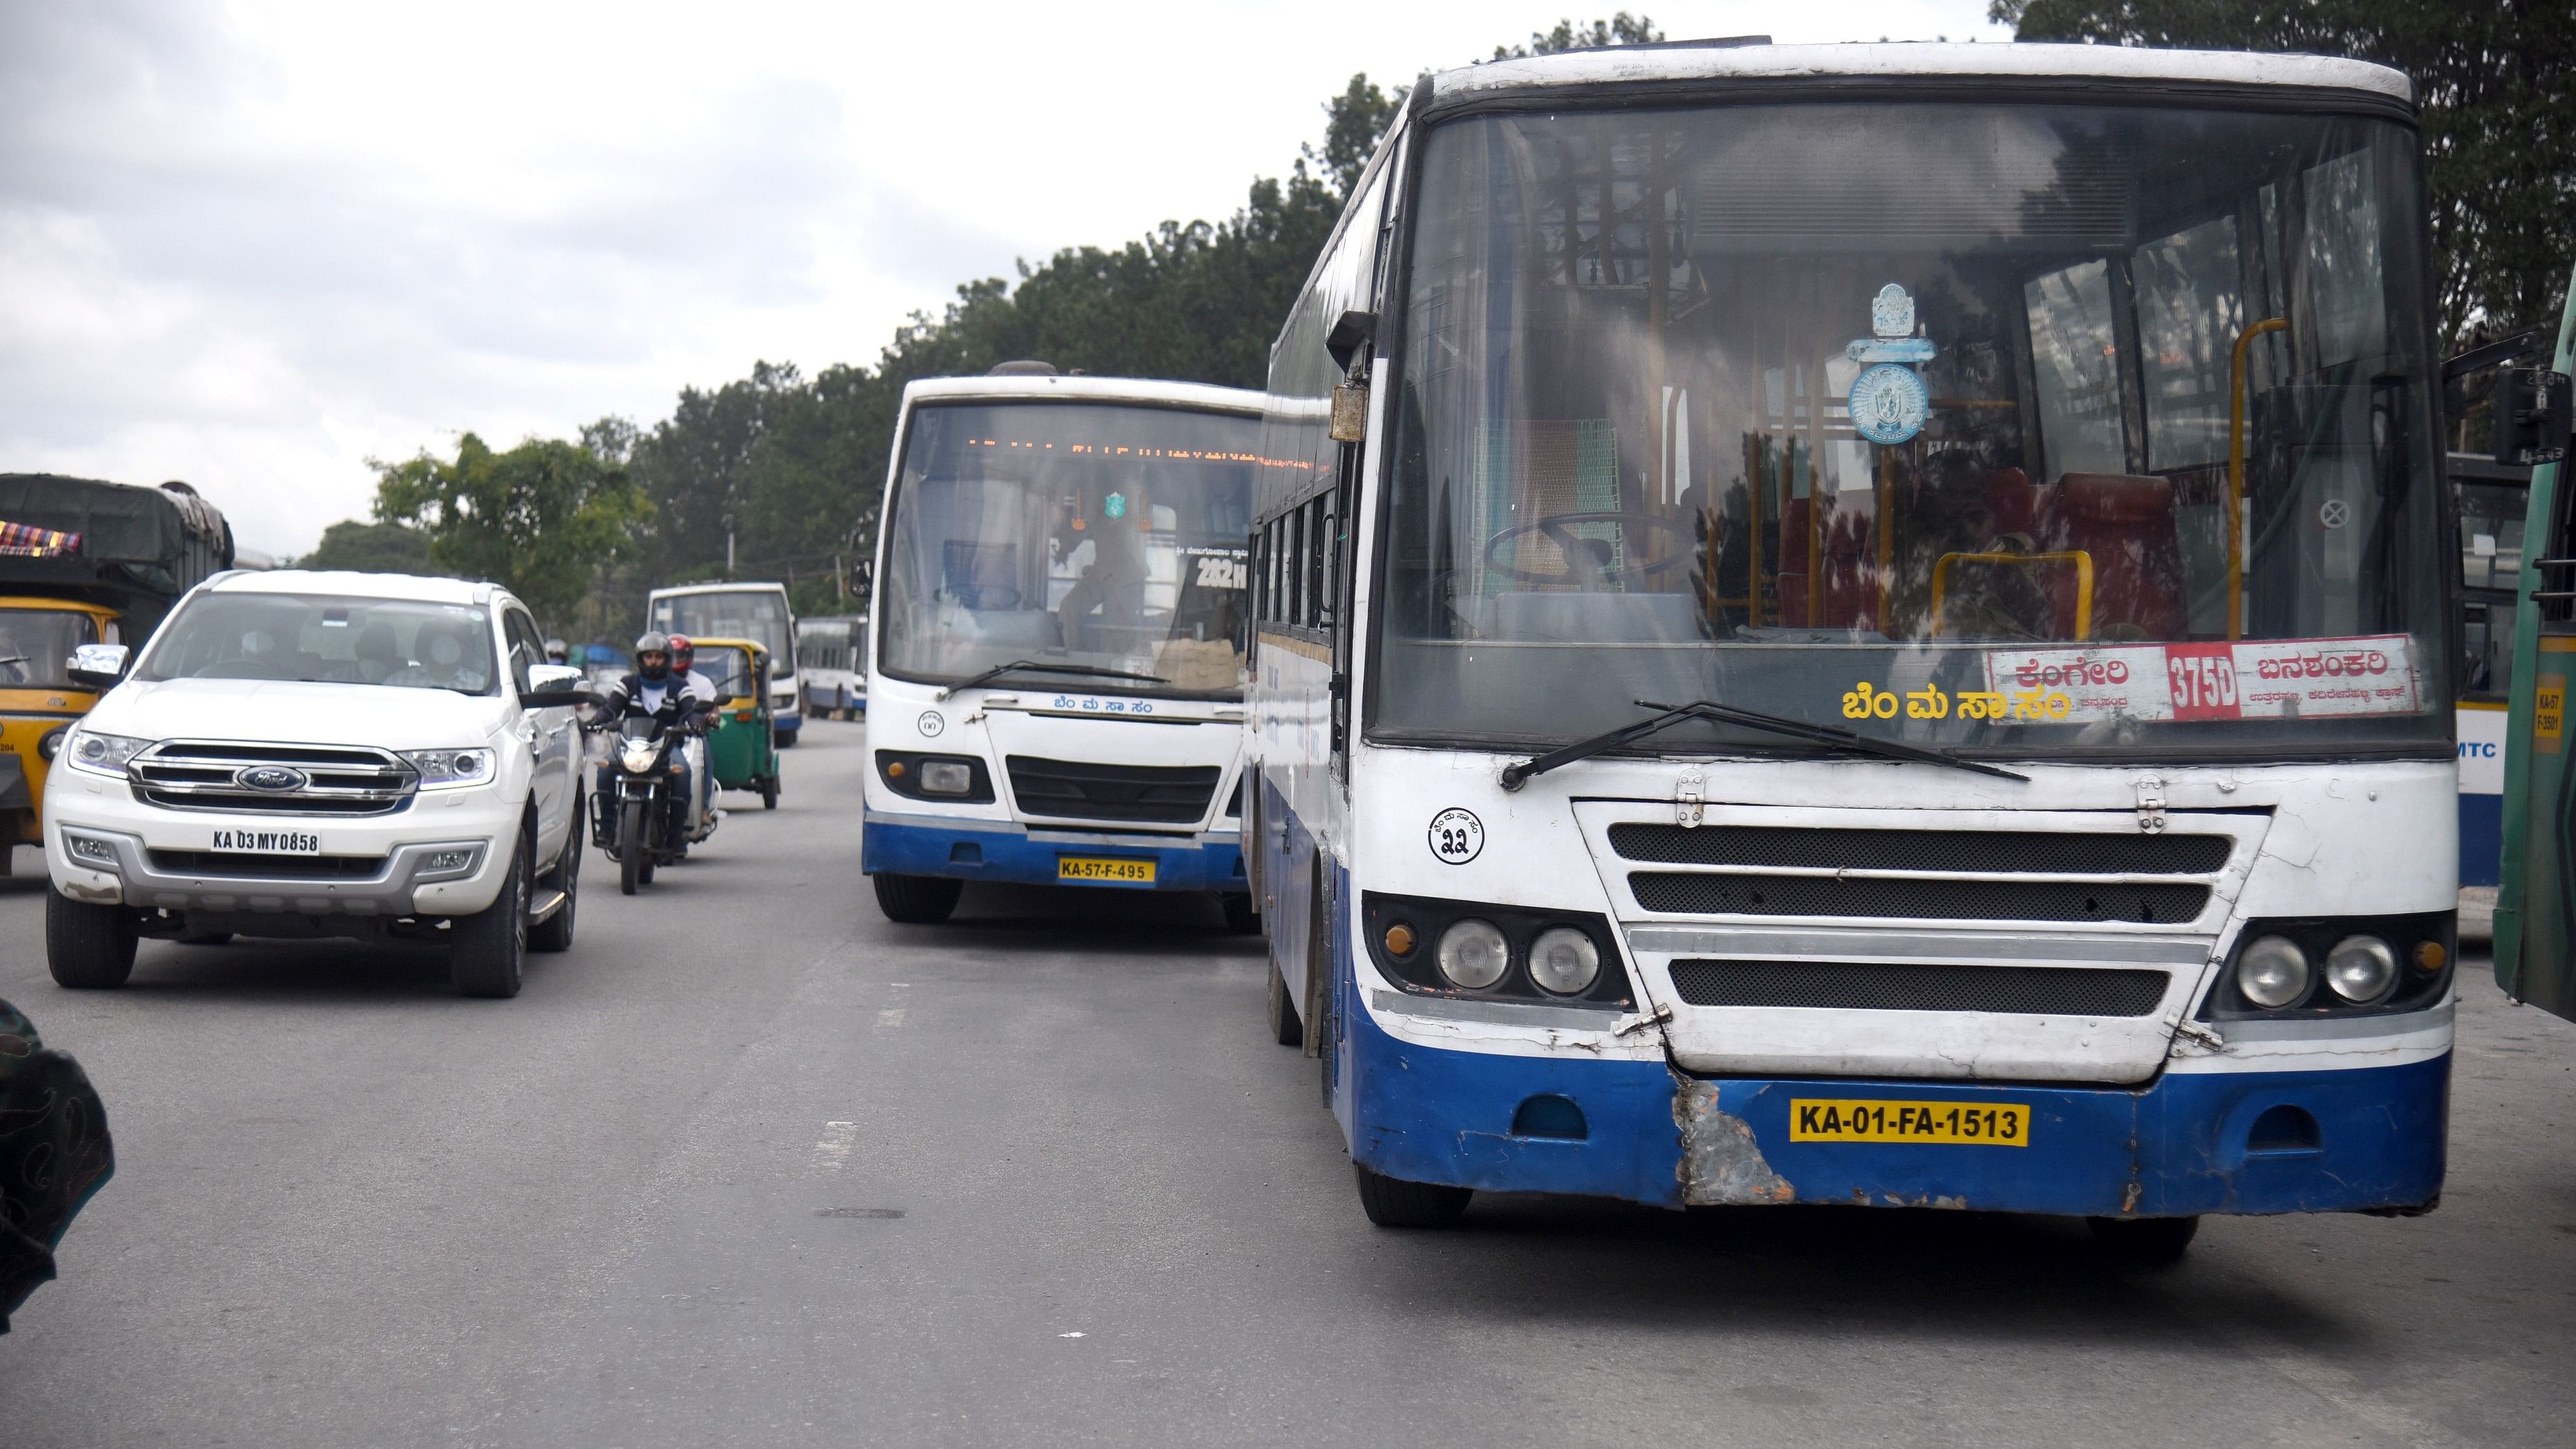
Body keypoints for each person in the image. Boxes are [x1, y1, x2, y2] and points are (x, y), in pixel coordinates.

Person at [592, 632, 705, 857]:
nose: (653, 661)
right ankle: (606, 827)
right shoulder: (628, 684)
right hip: (630, 748)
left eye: (658, 657)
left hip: (666, 749)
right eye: (648, 657)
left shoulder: (680, 686)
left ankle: (676, 838)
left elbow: (691, 711)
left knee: (683, 773)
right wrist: (595, 721)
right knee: (605, 768)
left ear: (667, 659)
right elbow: (611, 708)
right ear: (640, 659)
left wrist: (697, 723)